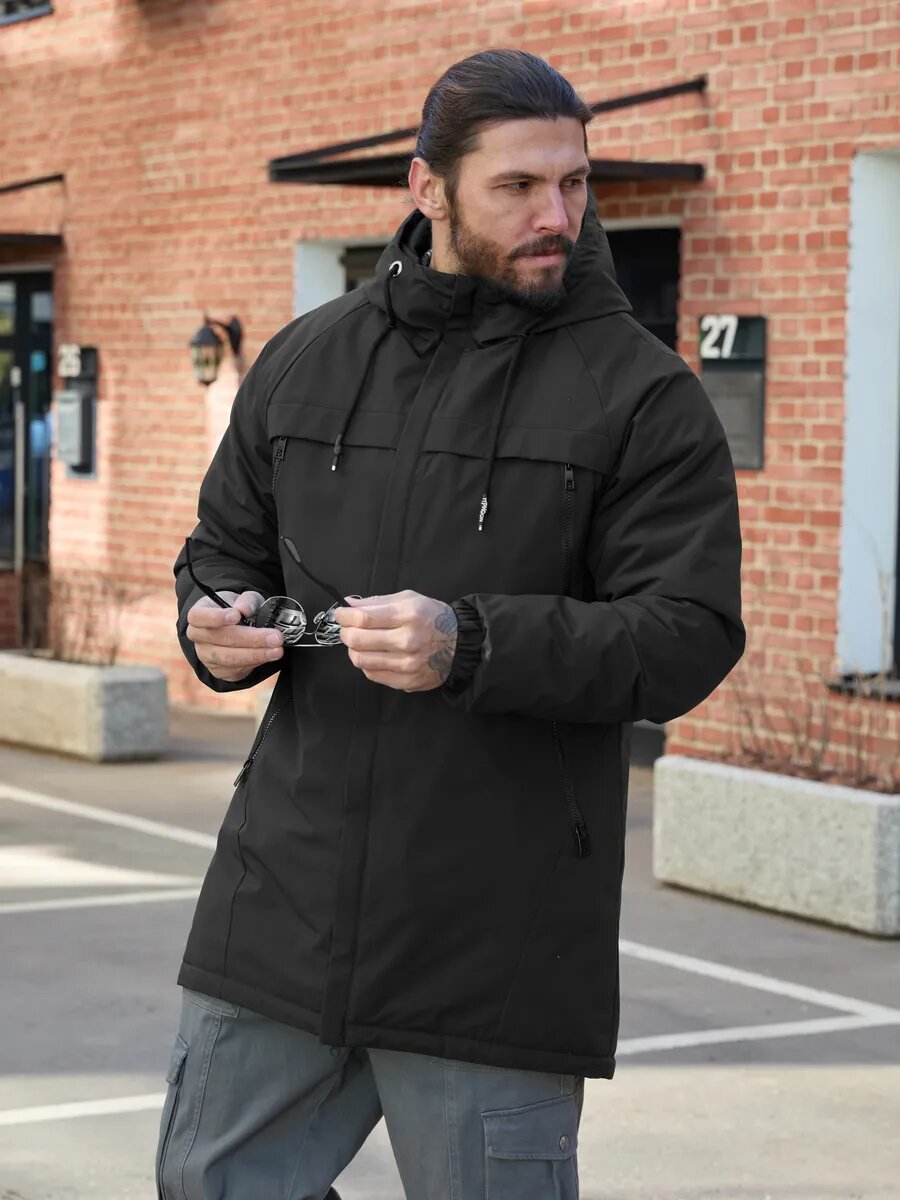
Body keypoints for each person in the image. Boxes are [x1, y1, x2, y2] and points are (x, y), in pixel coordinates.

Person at [158, 48, 744, 1200]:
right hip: (282, 903)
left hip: (497, 935)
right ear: (428, 188)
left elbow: (687, 631)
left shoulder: (641, 394)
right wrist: (211, 622)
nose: (557, 216)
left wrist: (471, 643)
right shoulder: (308, 357)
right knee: (209, 1185)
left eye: (573, 183)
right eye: (517, 186)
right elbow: (221, 547)